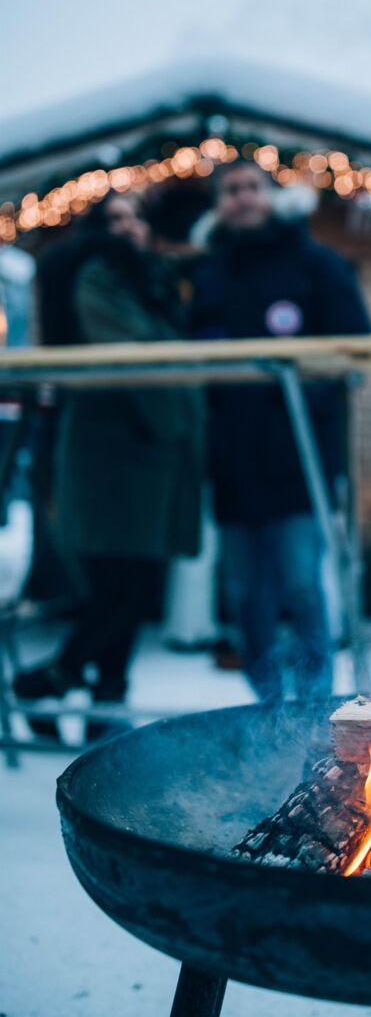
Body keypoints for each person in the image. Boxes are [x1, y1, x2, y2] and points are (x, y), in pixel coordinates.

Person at [14, 194, 204, 726]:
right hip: (112, 449)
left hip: (146, 448)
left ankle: (105, 699)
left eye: (134, 218)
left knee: (136, 583)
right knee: (118, 589)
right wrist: (179, 423)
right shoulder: (99, 275)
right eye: (113, 219)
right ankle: (44, 681)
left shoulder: (149, 279)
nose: (126, 228)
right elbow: (134, 351)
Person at [193, 161, 371, 702]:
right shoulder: (210, 274)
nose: (243, 198)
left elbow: (354, 345)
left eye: (252, 187)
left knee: (301, 582)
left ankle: (316, 707)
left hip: (300, 457)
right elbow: (195, 356)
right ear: (219, 205)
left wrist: (306, 395)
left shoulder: (316, 263)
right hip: (232, 462)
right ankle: (268, 709)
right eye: (231, 191)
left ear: (271, 196)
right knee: (246, 594)